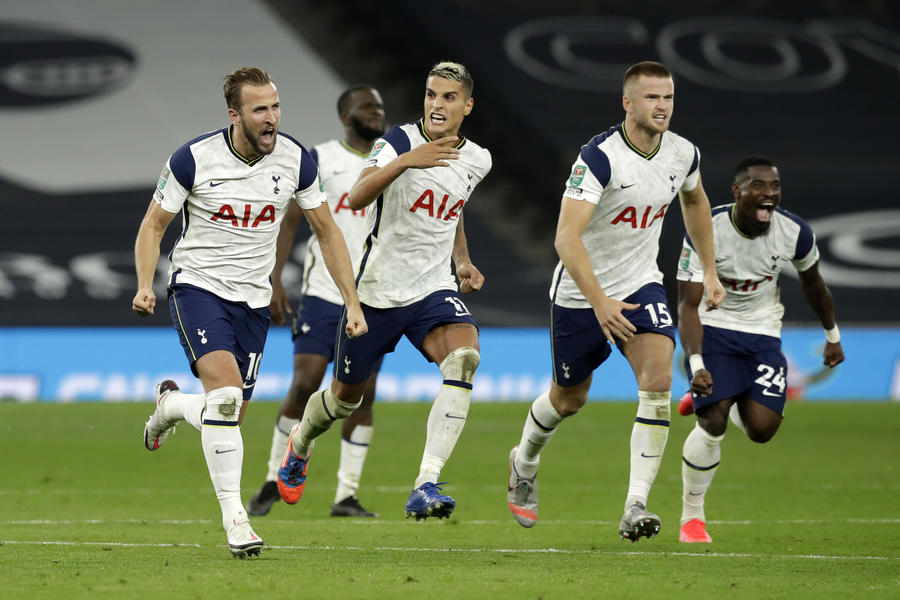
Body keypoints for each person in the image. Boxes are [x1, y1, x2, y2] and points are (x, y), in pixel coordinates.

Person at [132, 67, 367, 558]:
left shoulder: (297, 160)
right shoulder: (193, 159)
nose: (272, 119)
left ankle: (172, 407)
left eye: (276, 107)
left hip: (253, 303)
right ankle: (237, 522)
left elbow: (326, 231)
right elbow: (154, 225)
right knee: (223, 402)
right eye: (260, 109)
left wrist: (350, 299)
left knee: (229, 415)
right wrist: (143, 285)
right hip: (198, 288)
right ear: (234, 114)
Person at [506, 61, 726, 541]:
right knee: (569, 399)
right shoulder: (599, 157)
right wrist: (599, 301)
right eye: (652, 98)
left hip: (641, 285)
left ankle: (635, 506)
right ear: (628, 103)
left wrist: (709, 269)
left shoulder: (683, 154)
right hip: (580, 294)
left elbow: (696, 202)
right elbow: (566, 239)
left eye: (668, 97)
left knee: (658, 379)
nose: (662, 106)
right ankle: (523, 462)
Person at [275, 61, 492, 521]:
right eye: (432, 94)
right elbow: (356, 196)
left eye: (449, 97)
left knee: (464, 359)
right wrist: (407, 161)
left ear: (467, 105)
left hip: (432, 289)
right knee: (342, 400)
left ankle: (425, 483)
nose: (436, 104)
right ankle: (299, 443)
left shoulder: (479, 159)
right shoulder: (396, 142)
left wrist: (462, 260)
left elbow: (452, 209)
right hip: (376, 293)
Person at [674, 156, 844, 543]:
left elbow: (814, 285)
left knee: (762, 431)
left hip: (763, 333)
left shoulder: (794, 231)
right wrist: (697, 362)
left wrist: (832, 334)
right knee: (713, 422)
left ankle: (718, 394)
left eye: (775, 187)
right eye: (758, 186)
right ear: (737, 191)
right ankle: (692, 519)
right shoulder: (705, 228)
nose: (769, 195)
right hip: (713, 327)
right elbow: (687, 305)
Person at [245, 86, 387, 519]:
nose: (377, 113)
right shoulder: (320, 158)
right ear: (346, 117)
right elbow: (289, 223)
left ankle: (346, 495)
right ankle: (274, 476)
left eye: (380, 107)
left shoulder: (394, 159)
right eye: (367, 107)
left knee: (362, 393)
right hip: (325, 292)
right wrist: (274, 278)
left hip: (376, 293)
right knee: (306, 382)